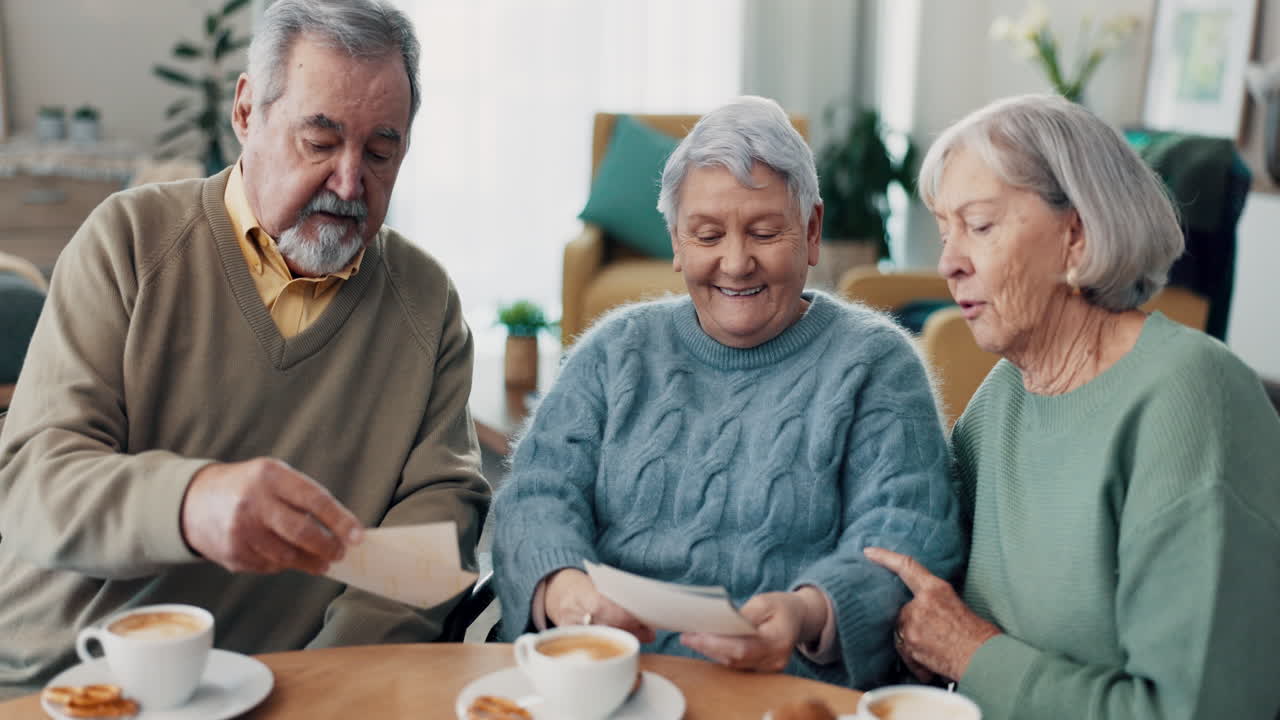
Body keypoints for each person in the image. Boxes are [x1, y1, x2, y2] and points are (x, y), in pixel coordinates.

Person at [0, 0, 489, 698]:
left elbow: (437, 520)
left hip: (284, 687)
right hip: (70, 679)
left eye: (380, 151)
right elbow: (29, 488)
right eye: (319, 142)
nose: (350, 182)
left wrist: (334, 672)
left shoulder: (425, 300)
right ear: (246, 112)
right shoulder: (129, 242)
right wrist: (189, 500)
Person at [492, 96, 964, 689]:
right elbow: (536, 496)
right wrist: (568, 594)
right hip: (607, 681)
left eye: (765, 232)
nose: (736, 263)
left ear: (811, 231)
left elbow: (904, 536)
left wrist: (806, 612)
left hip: (787, 692)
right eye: (707, 234)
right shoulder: (614, 352)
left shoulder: (876, 364)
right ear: (676, 242)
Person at [865, 94, 1280, 719]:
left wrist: (970, 653)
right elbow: (934, 595)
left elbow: (1194, 710)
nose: (948, 262)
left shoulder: (1192, 400)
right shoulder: (1002, 398)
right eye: (946, 230)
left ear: (1076, 237)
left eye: (978, 226)